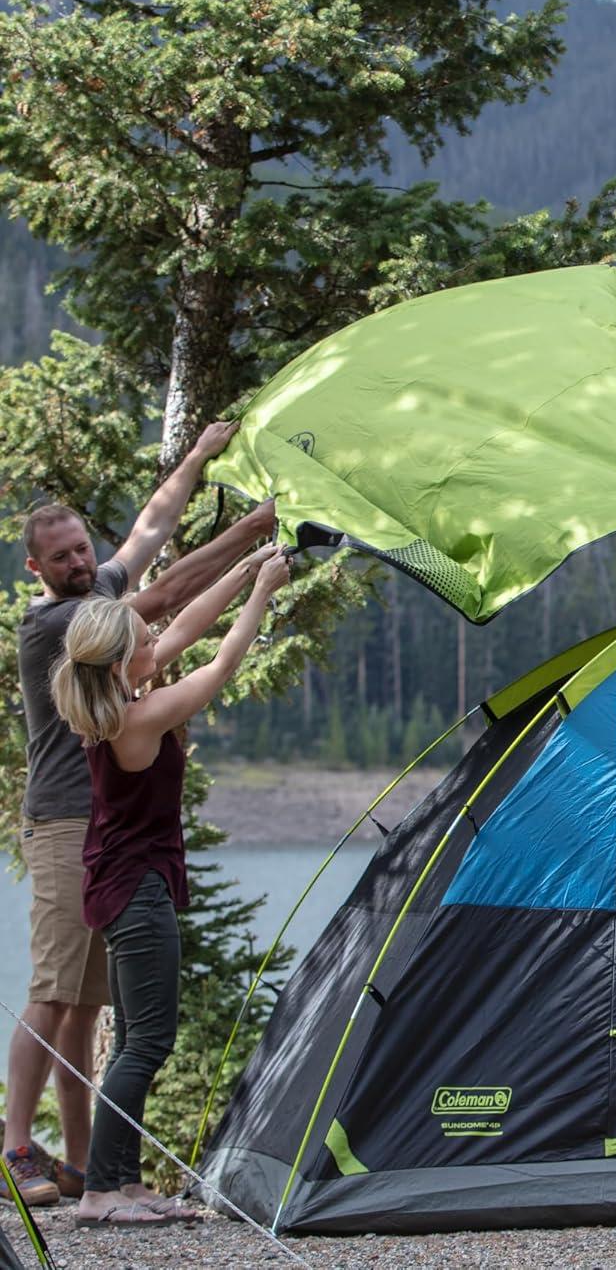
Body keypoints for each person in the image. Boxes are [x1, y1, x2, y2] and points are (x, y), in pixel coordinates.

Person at [6, 422, 274, 1208]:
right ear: (36, 568)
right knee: (57, 992)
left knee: (89, 1007)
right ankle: (18, 1147)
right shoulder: (67, 628)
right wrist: (250, 542)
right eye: (61, 558)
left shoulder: (105, 634)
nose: (81, 563)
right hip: (67, 824)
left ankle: (95, 1168)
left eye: (83, 550)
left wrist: (196, 459)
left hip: (105, 839)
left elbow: (153, 537)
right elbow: (168, 607)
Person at [51, 544, 290, 1228]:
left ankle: (122, 1185)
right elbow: (218, 666)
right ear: (126, 659)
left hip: (120, 883)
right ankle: (101, 1190)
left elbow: (182, 629)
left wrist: (243, 571)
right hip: (136, 890)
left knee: (132, 1037)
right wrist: (262, 595)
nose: (157, 639)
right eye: (145, 639)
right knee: (149, 1041)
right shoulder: (136, 719)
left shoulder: (114, 695)